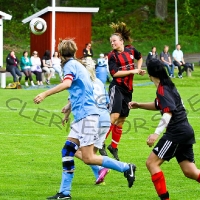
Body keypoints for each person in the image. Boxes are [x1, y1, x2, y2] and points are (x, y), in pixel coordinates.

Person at [34, 38, 136, 199]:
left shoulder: (70, 66)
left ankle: (126, 167)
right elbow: (82, 90)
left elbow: (67, 84)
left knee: (89, 158)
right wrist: (69, 108)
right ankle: (64, 193)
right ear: (74, 52)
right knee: (67, 151)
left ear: (60, 54)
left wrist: (45, 93)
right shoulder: (78, 66)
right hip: (84, 115)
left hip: (87, 116)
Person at [129, 58, 200, 200]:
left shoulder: (163, 89)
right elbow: (158, 104)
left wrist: (156, 134)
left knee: (151, 163)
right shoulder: (167, 86)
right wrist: (139, 105)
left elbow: (168, 112)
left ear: (150, 75)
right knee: (190, 171)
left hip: (177, 132)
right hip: (185, 131)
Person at [99, 22, 145, 161]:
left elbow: (140, 56)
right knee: (114, 116)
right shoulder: (112, 56)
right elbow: (114, 73)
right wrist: (133, 70)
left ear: (121, 41)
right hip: (117, 87)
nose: (112, 43)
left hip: (128, 90)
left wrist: (139, 68)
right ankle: (100, 142)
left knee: (122, 119)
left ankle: (113, 146)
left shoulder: (131, 50)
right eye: (111, 41)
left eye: (114, 41)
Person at [62, 57, 111, 185]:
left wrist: (66, 115)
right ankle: (100, 178)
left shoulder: (82, 82)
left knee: (78, 152)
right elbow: (107, 102)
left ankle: (106, 167)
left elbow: (73, 100)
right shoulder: (100, 82)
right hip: (105, 119)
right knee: (91, 155)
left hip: (93, 118)